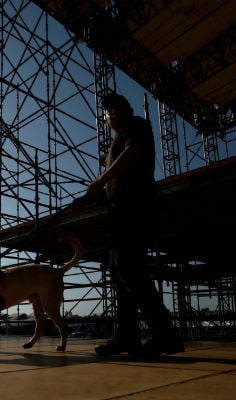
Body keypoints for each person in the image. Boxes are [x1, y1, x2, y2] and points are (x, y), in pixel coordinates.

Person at [87, 92, 184, 356]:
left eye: (114, 110)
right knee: (120, 274)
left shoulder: (136, 126)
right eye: (109, 112)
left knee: (129, 269)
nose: (111, 116)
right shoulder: (118, 139)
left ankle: (166, 335)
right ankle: (127, 337)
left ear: (121, 112)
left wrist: (100, 181)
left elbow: (134, 154)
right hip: (120, 212)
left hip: (134, 209)